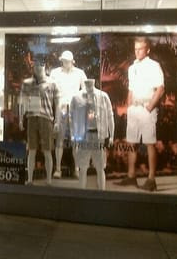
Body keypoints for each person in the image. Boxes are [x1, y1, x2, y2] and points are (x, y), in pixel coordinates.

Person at [115, 37, 164, 192]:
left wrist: (149, 107)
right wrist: (129, 106)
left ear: (147, 50)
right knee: (131, 142)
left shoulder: (154, 65)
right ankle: (131, 176)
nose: (137, 51)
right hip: (134, 109)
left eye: (140, 49)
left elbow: (160, 88)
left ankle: (151, 179)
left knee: (149, 143)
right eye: (135, 49)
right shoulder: (132, 67)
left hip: (146, 108)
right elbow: (131, 89)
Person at [19, 59, 59, 185]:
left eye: (40, 65)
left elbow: (57, 104)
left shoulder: (52, 83)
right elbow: (22, 102)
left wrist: (57, 121)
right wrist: (20, 119)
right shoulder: (27, 83)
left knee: (47, 150)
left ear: (44, 66)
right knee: (31, 150)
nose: (38, 68)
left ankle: (49, 180)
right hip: (31, 117)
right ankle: (30, 179)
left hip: (46, 118)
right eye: (35, 66)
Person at [70, 79, 114, 190]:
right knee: (83, 168)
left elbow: (110, 116)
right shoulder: (76, 97)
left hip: (98, 136)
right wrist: (73, 135)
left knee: (100, 167)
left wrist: (111, 135)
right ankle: (82, 194)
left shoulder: (103, 96)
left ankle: (102, 193)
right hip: (83, 136)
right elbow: (71, 118)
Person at [50, 50, 87, 179]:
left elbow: (86, 89)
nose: (65, 63)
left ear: (72, 61)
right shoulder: (55, 73)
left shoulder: (79, 73)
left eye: (67, 61)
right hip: (61, 107)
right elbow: (51, 90)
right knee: (59, 139)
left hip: (75, 108)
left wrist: (78, 99)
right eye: (63, 61)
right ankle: (58, 168)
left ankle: (76, 168)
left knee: (75, 140)